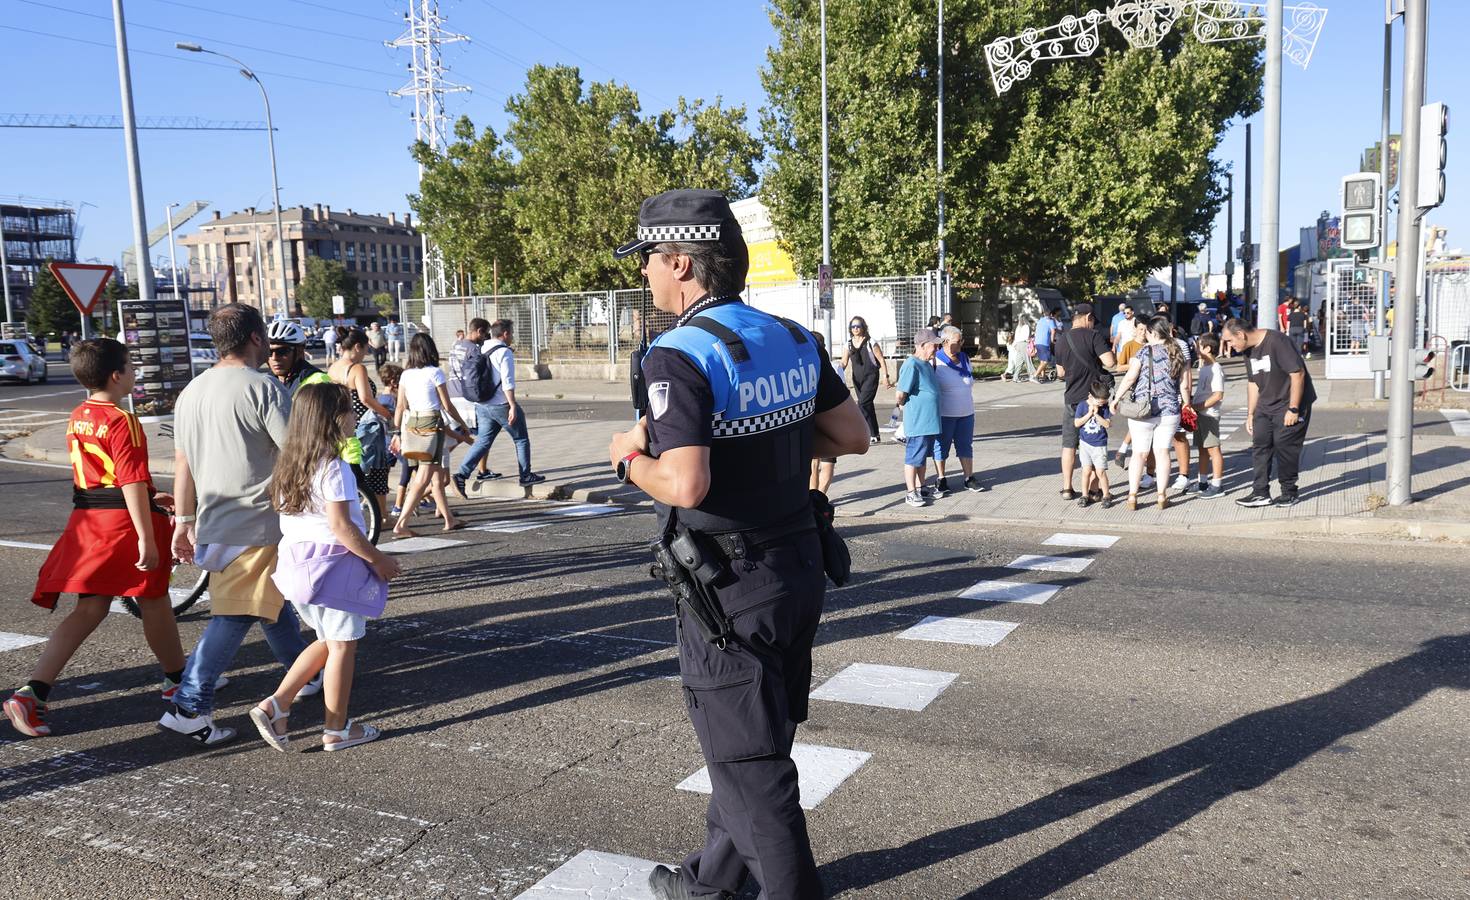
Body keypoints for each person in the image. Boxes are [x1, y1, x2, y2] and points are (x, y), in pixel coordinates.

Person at [606, 188, 868, 900]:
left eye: (650, 262)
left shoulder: (678, 355)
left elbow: (686, 485)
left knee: (755, 774)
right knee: (751, 745)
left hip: (729, 589)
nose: (645, 277)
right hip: (800, 566)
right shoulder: (789, 336)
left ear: (682, 263)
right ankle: (708, 887)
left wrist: (628, 457)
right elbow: (851, 435)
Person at [5, 339, 186, 738]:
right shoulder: (123, 421)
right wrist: (147, 538)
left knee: (90, 607)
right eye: (130, 365)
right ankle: (178, 681)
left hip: (90, 520)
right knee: (153, 597)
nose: (135, 372)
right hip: (123, 524)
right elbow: (131, 482)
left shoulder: (79, 414)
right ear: (116, 375)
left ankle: (31, 692)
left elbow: (102, 477)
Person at [161, 304, 317, 747]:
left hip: (216, 519)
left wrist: (184, 520)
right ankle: (190, 706)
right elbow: (295, 454)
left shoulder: (192, 390)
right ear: (254, 338)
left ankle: (306, 674)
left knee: (270, 607)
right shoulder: (263, 388)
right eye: (265, 336)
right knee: (237, 613)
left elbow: (182, 462)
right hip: (258, 521)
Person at [249, 383, 402, 752]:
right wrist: (378, 559)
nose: (354, 417)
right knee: (344, 646)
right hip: (334, 567)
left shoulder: (288, 464)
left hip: (297, 568)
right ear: (334, 420)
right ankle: (336, 728)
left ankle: (277, 704)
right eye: (350, 410)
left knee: (327, 641)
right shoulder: (333, 467)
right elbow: (343, 527)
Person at [1223, 317, 1316, 508]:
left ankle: (1289, 492)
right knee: (1260, 446)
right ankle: (1260, 492)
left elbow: (1297, 373)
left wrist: (1293, 408)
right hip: (1265, 405)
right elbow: (1252, 383)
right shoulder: (1247, 351)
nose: (1229, 346)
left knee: (1285, 447)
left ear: (1240, 334)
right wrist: (1250, 413)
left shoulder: (1277, 341)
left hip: (1289, 404)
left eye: (1230, 341)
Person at [450, 318, 545, 496]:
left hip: (482, 404)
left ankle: (461, 475)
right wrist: (512, 405)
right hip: (500, 403)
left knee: (483, 441)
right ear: (506, 334)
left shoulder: (482, 347)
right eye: (512, 333)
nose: (512, 337)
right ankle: (526, 475)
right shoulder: (504, 352)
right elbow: (507, 382)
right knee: (521, 439)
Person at [393, 333, 472, 535]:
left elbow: (401, 405)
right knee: (423, 478)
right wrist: (462, 424)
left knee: (436, 477)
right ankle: (401, 523)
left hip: (412, 424)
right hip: (431, 423)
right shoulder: (435, 372)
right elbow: (447, 405)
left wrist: (396, 432)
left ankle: (449, 519)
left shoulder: (406, 374)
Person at [1112, 316, 1192, 511]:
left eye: (1147, 332)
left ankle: (1132, 496)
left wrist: (1116, 399)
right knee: (1163, 452)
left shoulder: (1143, 351)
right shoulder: (1177, 351)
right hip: (1170, 409)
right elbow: (1185, 384)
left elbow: (1131, 378)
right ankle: (1161, 495)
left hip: (1143, 409)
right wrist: (1187, 404)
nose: (1145, 335)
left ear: (1153, 333)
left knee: (1139, 453)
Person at [1051, 303, 1117, 500]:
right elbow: (1110, 362)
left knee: (1069, 445)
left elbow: (1061, 373)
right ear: (1088, 317)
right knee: (1095, 444)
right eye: (1093, 320)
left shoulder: (1062, 340)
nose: (1093, 323)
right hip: (1092, 400)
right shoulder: (1093, 336)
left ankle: (1067, 488)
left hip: (1071, 399)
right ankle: (1095, 489)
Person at [329, 329, 395, 519]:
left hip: (343, 425)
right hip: (365, 425)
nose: (366, 354)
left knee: (353, 471)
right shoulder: (357, 368)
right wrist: (385, 413)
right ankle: (383, 516)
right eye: (366, 349)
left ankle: (356, 513)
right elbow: (366, 398)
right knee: (378, 469)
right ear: (357, 347)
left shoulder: (333, 368)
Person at [933, 325, 984, 494]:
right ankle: (941, 479)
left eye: (961, 341)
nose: (960, 345)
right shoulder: (936, 360)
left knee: (965, 445)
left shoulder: (964, 358)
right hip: (945, 413)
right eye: (957, 342)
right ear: (945, 342)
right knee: (941, 446)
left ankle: (968, 478)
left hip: (966, 412)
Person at [896, 328, 944, 506]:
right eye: (934, 345)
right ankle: (911, 492)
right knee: (913, 457)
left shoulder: (927, 363)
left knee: (922, 457)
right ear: (923, 345)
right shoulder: (912, 364)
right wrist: (902, 404)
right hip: (918, 422)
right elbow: (900, 394)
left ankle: (922, 486)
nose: (937, 349)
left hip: (929, 422)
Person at [839, 315, 890, 444]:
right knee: (868, 405)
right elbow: (844, 362)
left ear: (863, 327)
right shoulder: (848, 344)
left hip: (871, 376)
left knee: (862, 403)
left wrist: (886, 377)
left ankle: (865, 432)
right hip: (857, 378)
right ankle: (875, 434)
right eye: (853, 326)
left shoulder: (870, 342)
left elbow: (881, 360)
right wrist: (836, 372)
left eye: (858, 326)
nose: (855, 328)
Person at [1190, 333, 1226, 497]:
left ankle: (1217, 485)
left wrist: (1199, 406)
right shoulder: (1204, 367)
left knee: (1213, 449)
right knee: (1203, 450)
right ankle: (1202, 482)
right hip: (1200, 414)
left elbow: (1218, 395)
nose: (1196, 348)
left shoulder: (1215, 369)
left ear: (1208, 348)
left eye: (1199, 345)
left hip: (1209, 414)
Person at [1073, 381, 1114, 508]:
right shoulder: (1082, 406)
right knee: (1086, 471)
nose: (1102, 403)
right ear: (1090, 396)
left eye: (1104, 401)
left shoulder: (1104, 408)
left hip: (1099, 444)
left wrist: (1096, 414)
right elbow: (1077, 423)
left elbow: (1107, 424)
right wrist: (1089, 413)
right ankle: (1084, 495)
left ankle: (1106, 495)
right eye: (1099, 401)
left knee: (1100, 471)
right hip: (1085, 444)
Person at [265, 320, 332, 396]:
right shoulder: (265, 382)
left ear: (299, 351)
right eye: (269, 352)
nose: (274, 358)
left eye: (282, 351)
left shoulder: (319, 381)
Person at [810, 332, 838, 494]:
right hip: (829, 421)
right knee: (827, 464)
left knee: (814, 464)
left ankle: (814, 499)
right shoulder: (833, 367)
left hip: (812, 420)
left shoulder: (803, 365)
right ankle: (820, 496)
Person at [1002, 317, 1037, 382]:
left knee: (1019, 362)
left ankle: (1015, 377)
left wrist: (1015, 344)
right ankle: (1033, 375)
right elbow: (1026, 337)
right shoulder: (1026, 326)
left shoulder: (1018, 327)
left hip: (1018, 344)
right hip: (1024, 343)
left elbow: (1016, 337)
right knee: (1028, 360)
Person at [1033, 307, 1058, 382]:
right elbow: (1053, 331)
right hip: (1044, 343)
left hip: (1037, 342)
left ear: (1044, 314)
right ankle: (1034, 376)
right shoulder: (1050, 321)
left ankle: (1043, 376)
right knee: (1046, 361)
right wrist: (1052, 340)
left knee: (1042, 361)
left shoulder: (1040, 320)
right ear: (1050, 314)